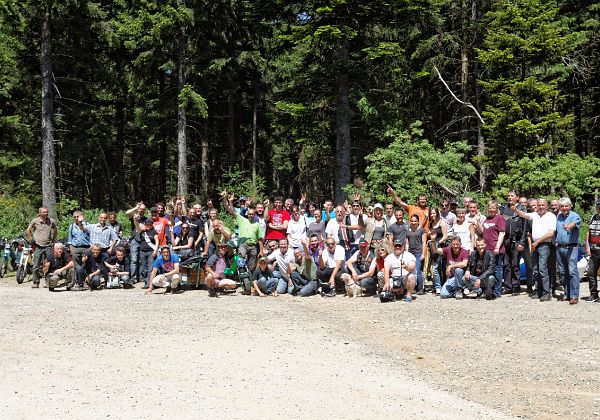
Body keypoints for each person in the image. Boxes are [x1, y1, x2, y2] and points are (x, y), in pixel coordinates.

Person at [515, 199, 557, 302]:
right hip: (535, 245)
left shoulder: (551, 216)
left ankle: (547, 293)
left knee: (543, 268)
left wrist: (537, 242)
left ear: (547, 206)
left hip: (544, 245)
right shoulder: (535, 214)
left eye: (543, 205)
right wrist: (515, 209)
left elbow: (551, 233)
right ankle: (539, 292)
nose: (541, 207)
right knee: (535, 269)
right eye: (539, 205)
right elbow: (524, 215)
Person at [223, 192, 263, 271]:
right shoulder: (241, 219)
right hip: (243, 243)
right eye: (249, 214)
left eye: (252, 214)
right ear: (247, 214)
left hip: (253, 245)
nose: (251, 215)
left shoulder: (257, 224)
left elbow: (260, 238)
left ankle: (250, 277)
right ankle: (240, 272)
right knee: (240, 257)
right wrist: (226, 199)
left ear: (254, 214)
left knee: (252, 264)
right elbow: (229, 209)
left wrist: (261, 250)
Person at [555, 197, 581, 304]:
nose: (564, 208)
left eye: (566, 206)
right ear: (560, 207)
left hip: (571, 248)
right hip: (560, 248)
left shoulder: (575, 216)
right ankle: (567, 293)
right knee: (562, 272)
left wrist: (569, 226)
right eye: (562, 206)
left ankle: (574, 296)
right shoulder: (559, 217)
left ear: (570, 206)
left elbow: (575, 223)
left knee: (572, 271)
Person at [500, 191, 527, 295]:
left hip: (517, 239)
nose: (510, 197)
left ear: (517, 197)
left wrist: (522, 242)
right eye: (508, 196)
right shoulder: (503, 208)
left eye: (512, 196)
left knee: (515, 264)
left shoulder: (521, 208)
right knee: (506, 264)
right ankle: (507, 286)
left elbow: (525, 226)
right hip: (505, 239)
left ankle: (516, 286)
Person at [479, 201, 506, 298]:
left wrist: (497, 247)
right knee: (487, 270)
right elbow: (483, 232)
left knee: (498, 269)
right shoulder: (486, 219)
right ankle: (488, 289)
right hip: (487, 249)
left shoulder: (499, 218)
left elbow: (502, 233)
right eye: (490, 208)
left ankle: (497, 291)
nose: (492, 210)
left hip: (496, 248)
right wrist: (477, 223)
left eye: (494, 208)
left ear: (497, 209)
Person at [26, 207, 58, 288]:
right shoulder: (35, 221)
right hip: (38, 246)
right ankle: (36, 282)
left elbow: (55, 230)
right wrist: (31, 239)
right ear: (40, 213)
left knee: (49, 265)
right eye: (44, 212)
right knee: (36, 265)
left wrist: (53, 239)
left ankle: (49, 282)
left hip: (48, 246)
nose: (46, 213)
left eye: (47, 212)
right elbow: (28, 230)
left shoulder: (51, 221)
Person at [427, 207, 448, 294]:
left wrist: (437, 243)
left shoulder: (441, 223)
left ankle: (439, 287)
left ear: (437, 213)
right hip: (432, 248)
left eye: (434, 213)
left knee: (437, 268)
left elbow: (445, 236)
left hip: (440, 247)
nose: (432, 215)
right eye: (431, 214)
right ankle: (437, 286)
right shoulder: (431, 224)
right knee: (436, 268)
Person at [126, 202, 148, 283]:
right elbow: (127, 213)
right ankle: (133, 277)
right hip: (135, 239)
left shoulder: (146, 219)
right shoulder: (134, 217)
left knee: (142, 260)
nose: (142, 210)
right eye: (140, 209)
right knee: (134, 260)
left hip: (143, 240)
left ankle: (141, 276)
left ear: (145, 210)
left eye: (143, 209)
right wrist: (135, 208)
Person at [406, 215, 427, 294]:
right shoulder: (408, 231)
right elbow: (407, 243)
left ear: (418, 222)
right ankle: (412, 287)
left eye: (415, 221)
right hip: (411, 253)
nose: (414, 223)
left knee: (418, 270)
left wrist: (423, 253)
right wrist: (406, 253)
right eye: (412, 221)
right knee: (410, 270)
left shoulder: (422, 230)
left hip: (418, 252)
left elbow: (424, 242)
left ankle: (420, 288)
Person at [584, 200, 600, 303]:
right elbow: (589, 232)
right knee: (591, 272)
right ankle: (594, 294)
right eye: (598, 206)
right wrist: (587, 246)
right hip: (594, 249)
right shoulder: (593, 217)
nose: (599, 208)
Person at [140, 219, 159, 289]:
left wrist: (155, 251)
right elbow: (137, 224)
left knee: (150, 269)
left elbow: (157, 241)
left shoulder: (154, 232)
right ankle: (146, 282)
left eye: (150, 224)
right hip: (142, 252)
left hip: (151, 251)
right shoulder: (142, 231)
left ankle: (150, 284)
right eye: (147, 224)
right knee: (143, 269)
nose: (148, 226)